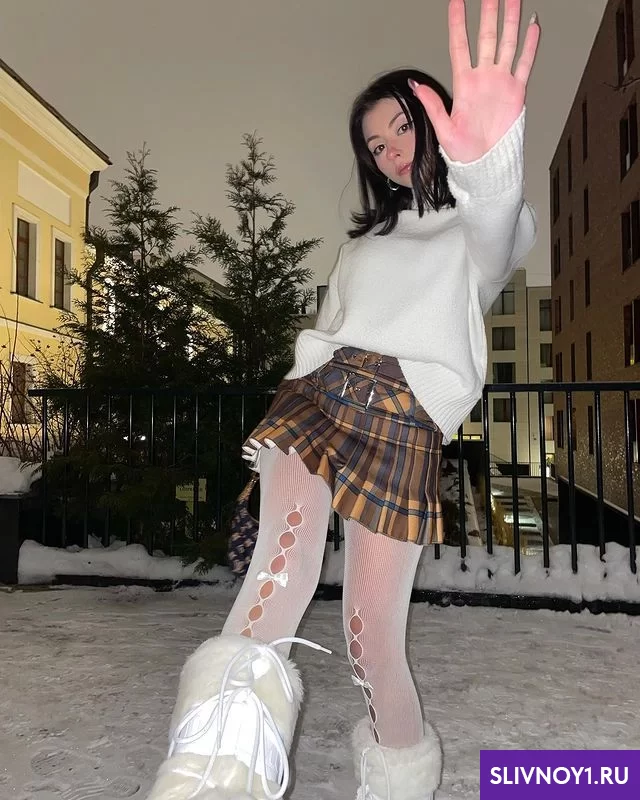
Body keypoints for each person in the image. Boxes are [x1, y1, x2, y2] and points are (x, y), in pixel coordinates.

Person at [145, 1, 540, 798]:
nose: (390, 150)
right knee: (276, 570)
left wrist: (489, 159)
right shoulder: (364, 243)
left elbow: (497, 220)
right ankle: (210, 778)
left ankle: (399, 776)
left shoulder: (478, 232)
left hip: (402, 417)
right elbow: (329, 328)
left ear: (435, 119)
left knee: (368, 638)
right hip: (320, 396)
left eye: (401, 126)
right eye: (376, 144)